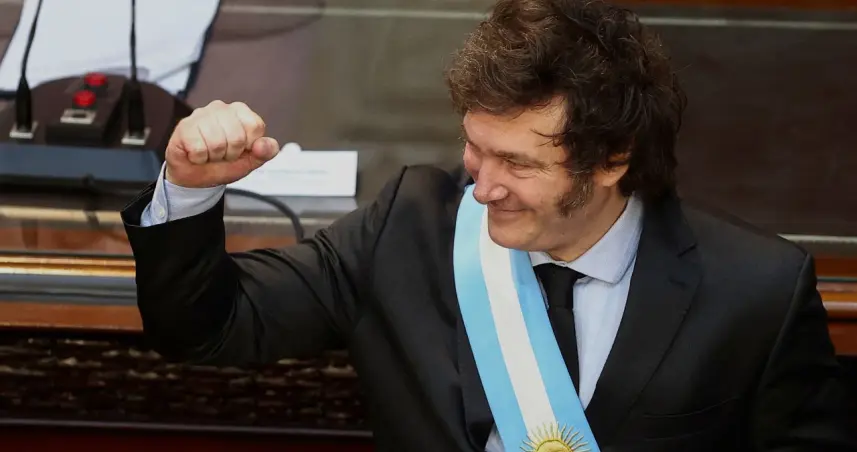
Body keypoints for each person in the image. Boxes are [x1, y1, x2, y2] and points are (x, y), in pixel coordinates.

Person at [121, 0, 857, 450]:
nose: (482, 185)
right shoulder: (408, 227)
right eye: (475, 147)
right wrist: (188, 191)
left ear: (611, 160)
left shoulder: (754, 290)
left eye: (518, 163)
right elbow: (207, 330)